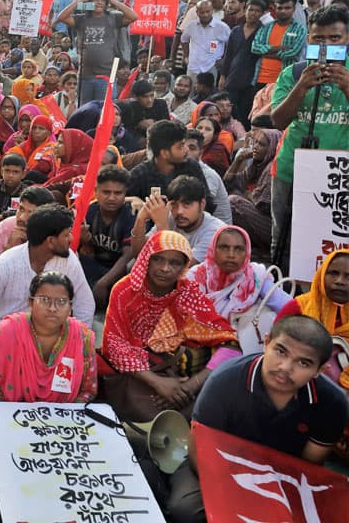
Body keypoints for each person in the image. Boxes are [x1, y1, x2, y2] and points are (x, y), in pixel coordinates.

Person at [166, 316, 348, 523]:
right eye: (281, 351)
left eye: (303, 363)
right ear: (267, 342)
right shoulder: (225, 380)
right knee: (186, 509)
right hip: (220, 466)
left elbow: (308, 466)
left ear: (319, 371)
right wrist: (237, 496)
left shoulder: (332, 403)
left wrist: (268, 500)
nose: (285, 367)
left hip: (282, 477)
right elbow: (199, 448)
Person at [101, 231, 239, 423]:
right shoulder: (125, 290)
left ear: (184, 266)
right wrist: (157, 383)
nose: (165, 268)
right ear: (147, 259)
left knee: (214, 362)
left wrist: (189, 387)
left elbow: (230, 345)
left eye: (174, 263)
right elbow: (114, 344)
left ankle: (178, 409)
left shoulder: (188, 293)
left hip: (177, 372)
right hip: (137, 370)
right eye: (158, 260)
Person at [0, 272, 97, 446]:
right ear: (30, 302)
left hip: (60, 425)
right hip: (8, 420)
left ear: (71, 306)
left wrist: (62, 422)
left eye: (61, 302)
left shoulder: (81, 338)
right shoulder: (7, 333)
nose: (53, 308)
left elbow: (88, 390)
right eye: (44, 300)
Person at [271, 6, 349, 273]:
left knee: (336, 245)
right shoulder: (293, 74)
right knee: (283, 239)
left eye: (335, 38)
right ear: (309, 39)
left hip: (339, 177)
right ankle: (284, 298)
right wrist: (301, 87)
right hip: (290, 170)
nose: (326, 45)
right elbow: (278, 120)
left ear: (347, 38)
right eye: (318, 39)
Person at [0, 204, 95, 340]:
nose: (71, 239)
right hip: (6, 336)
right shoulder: (7, 264)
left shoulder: (68, 259)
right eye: (66, 235)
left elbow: (85, 303)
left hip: (49, 339)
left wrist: (79, 342)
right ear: (51, 241)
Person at [187, 227, 293, 351]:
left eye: (238, 249)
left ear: (247, 252)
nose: (231, 255)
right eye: (224, 247)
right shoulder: (195, 277)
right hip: (196, 342)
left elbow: (289, 307)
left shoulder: (255, 277)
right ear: (213, 249)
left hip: (238, 347)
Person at [276, 249, 349, 387]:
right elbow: (275, 350)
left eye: (348, 276)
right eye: (333, 273)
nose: (340, 281)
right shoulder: (297, 307)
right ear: (321, 274)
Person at [57, 0, 139, 104]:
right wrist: (81, 0)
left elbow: (133, 16)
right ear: (89, 2)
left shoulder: (113, 17)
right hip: (85, 76)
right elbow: (61, 17)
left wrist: (114, 1)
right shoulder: (82, 19)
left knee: (103, 112)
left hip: (107, 75)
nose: (99, 2)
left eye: (102, 0)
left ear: (106, 2)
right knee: (86, 112)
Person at [134, 175, 227, 265]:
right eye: (174, 204)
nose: (179, 211)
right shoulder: (170, 217)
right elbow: (139, 254)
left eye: (186, 204)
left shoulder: (215, 232)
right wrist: (140, 220)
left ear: (202, 204)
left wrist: (162, 226)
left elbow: (176, 266)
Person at [79, 165, 136, 309]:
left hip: (118, 271)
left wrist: (103, 283)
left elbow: (128, 255)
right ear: (96, 191)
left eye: (118, 193)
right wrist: (84, 241)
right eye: (106, 192)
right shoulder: (90, 211)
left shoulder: (130, 215)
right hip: (94, 266)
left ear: (125, 194)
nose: (112, 198)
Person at [225, 125, 280, 259]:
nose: (255, 147)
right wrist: (238, 160)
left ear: (272, 148)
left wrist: (247, 195)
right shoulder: (258, 164)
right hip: (264, 222)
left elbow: (262, 205)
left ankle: (264, 249)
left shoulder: (271, 167)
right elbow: (228, 182)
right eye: (255, 142)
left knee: (234, 203)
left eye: (261, 144)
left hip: (274, 229)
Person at [126, 120, 211, 205]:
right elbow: (118, 197)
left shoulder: (191, 166)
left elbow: (207, 201)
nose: (186, 149)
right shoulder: (140, 174)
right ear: (164, 153)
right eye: (181, 146)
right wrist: (132, 199)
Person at [0, 185, 57, 270]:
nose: (22, 217)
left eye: (31, 213)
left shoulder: (57, 236)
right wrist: (9, 249)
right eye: (21, 209)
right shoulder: (0, 232)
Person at [252, 0, 307, 90]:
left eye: (287, 8)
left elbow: (292, 52)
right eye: (280, 8)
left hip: (284, 80)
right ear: (275, 8)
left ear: (293, 9)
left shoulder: (300, 29)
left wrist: (265, 53)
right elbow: (255, 48)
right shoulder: (266, 27)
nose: (283, 11)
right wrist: (279, 48)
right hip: (260, 78)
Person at [181, 1, 231, 78]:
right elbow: (184, 40)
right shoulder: (191, 26)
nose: (205, 15)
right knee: (191, 89)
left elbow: (231, 44)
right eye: (202, 12)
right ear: (197, 13)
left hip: (211, 67)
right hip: (193, 67)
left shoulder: (222, 27)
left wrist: (223, 60)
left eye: (208, 11)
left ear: (212, 10)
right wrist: (186, 57)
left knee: (209, 90)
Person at [7, 115, 59, 182]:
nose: (36, 131)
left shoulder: (51, 147)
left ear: (49, 133)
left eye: (41, 128)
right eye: (34, 128)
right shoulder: (24, 145)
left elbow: (43, 167)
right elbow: (7, 160)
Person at [120, 80, 171, 146]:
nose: (149, 100)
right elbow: (125, 129)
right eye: (145, 97)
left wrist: (155, 123)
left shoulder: (161, 104)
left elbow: (168, 126)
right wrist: (138, 127)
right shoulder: (130, 107)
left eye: (152, 95)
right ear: (136, 97)